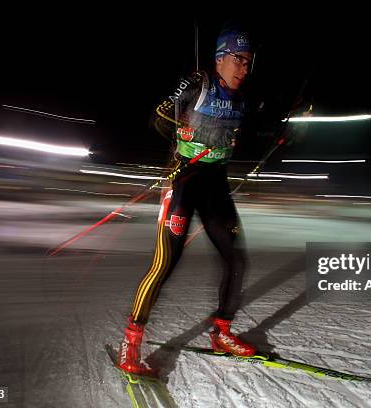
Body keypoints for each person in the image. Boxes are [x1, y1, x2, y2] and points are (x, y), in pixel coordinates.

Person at [117, 24, 257, 376]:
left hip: (215, 185)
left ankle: (222, 332)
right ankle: (131, 342)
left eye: (249, 62)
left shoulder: (241, 97)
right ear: (221, 59)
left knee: (236, 259)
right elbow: (159, 118)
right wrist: (186, 128)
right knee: (164, 264)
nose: (244, 68)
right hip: (185, 179)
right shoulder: (198, 83)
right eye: (239, 60)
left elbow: (235, 133)